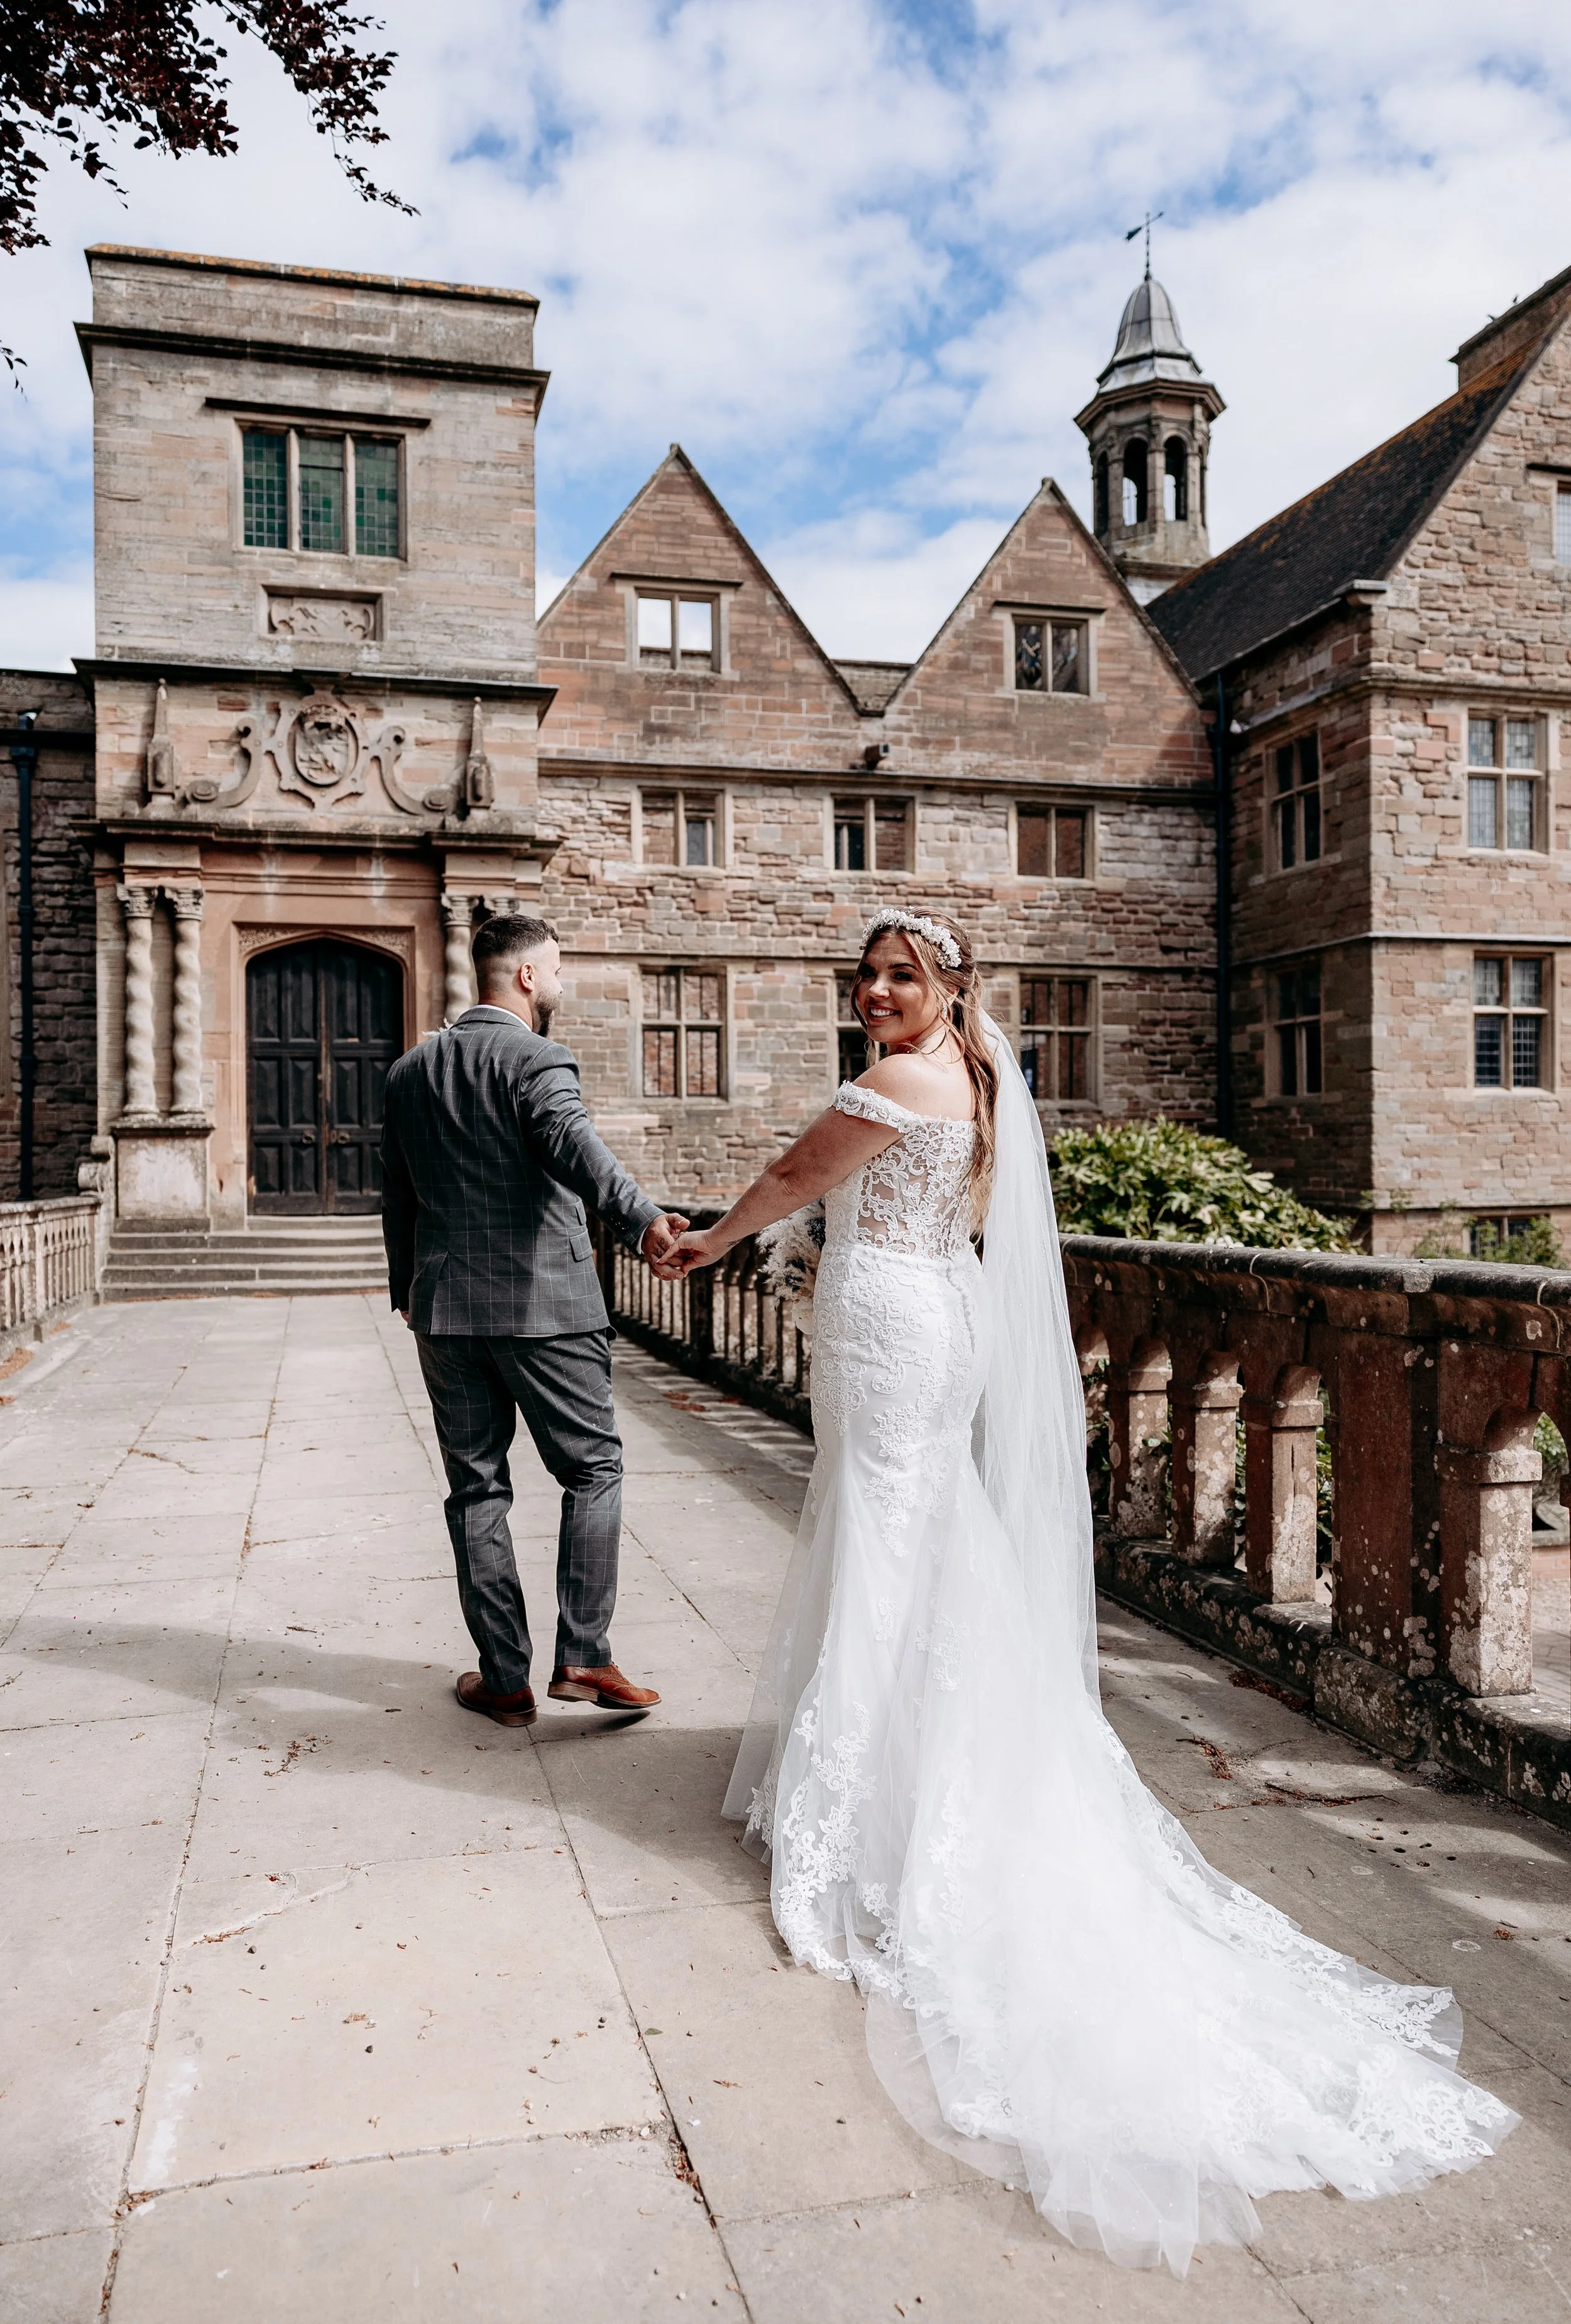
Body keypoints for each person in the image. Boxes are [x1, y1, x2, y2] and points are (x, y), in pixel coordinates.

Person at [656, 906, 1517, 2275]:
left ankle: (873, 1796)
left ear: (948, 990)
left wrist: (702, 1244)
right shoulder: (984, 1081)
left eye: (902, 976)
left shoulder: (890, 1085)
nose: (874, 993)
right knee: (924, 1536)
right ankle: (929, 1753)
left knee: (887, 1538)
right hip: (932, 1320)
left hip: (890, 1326)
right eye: (867, 975)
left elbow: (784, 1178)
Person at [381, 912, 689, 1729]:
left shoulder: (410, 1071)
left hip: (444, 1307)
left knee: (476, 1488)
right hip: (545, 1304)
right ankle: (584, 1655)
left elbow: (396, 1193)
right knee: (592, 1470)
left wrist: (406, 1284)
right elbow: (570, 1142)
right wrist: (643, 1218)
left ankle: (505, 1677)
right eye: (555, 968)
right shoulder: (539, 1058)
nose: (559, 982)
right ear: (524, 976)